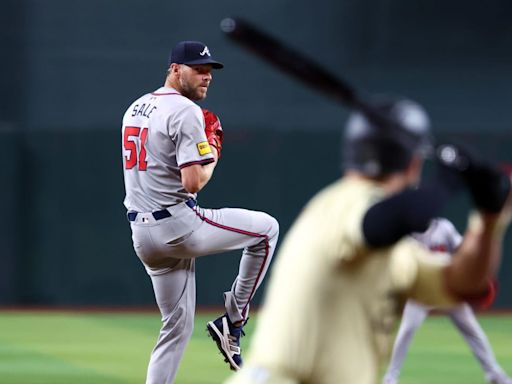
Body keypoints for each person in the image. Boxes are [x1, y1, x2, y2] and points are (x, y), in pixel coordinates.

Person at [225, 98, 512, 384]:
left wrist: (488, 221)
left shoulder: (394, 251)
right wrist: (449, 180)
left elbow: (463, 283)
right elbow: (390, 220)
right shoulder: (342, 204)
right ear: (413, 163)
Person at [121, 40, 279, 383]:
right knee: (267, 230)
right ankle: (233, 320)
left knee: (175, 329)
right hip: (177, 225)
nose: (206, 76)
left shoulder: (135, 107)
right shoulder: (185, 111)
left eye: (209, 70)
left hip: (142, 234)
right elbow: (193, 182)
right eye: (198, 69)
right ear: (175, 69)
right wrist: (214, 153)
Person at [383, 218, 512, 384]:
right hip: (422, 290)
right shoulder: (408, 233)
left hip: (448, 288)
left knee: (472, 330)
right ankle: (391, 377)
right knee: (407, 330)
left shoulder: (444, 227)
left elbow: (461, 251)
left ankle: (494, 373)